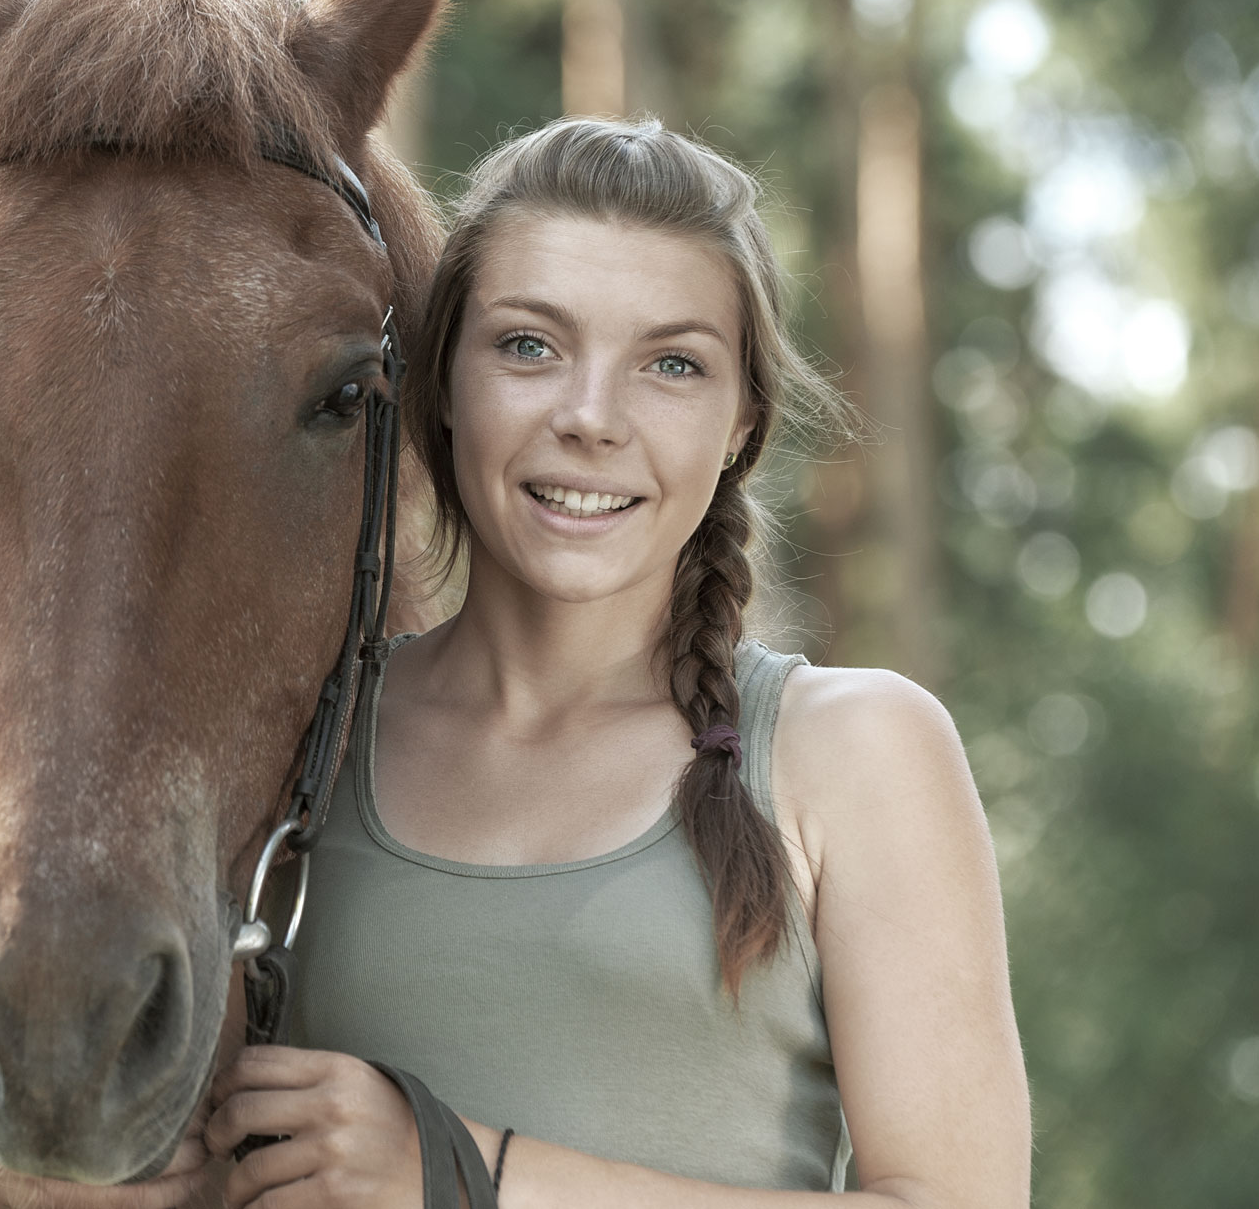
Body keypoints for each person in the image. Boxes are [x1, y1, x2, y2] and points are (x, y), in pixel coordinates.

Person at [191, 117, 1032, 1206]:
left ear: (742, 423)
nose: (591, 418)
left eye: (672, 364)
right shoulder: (301, 735)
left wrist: (461, 1171)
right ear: (442, 381)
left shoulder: (857, 750)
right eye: (530, 345)